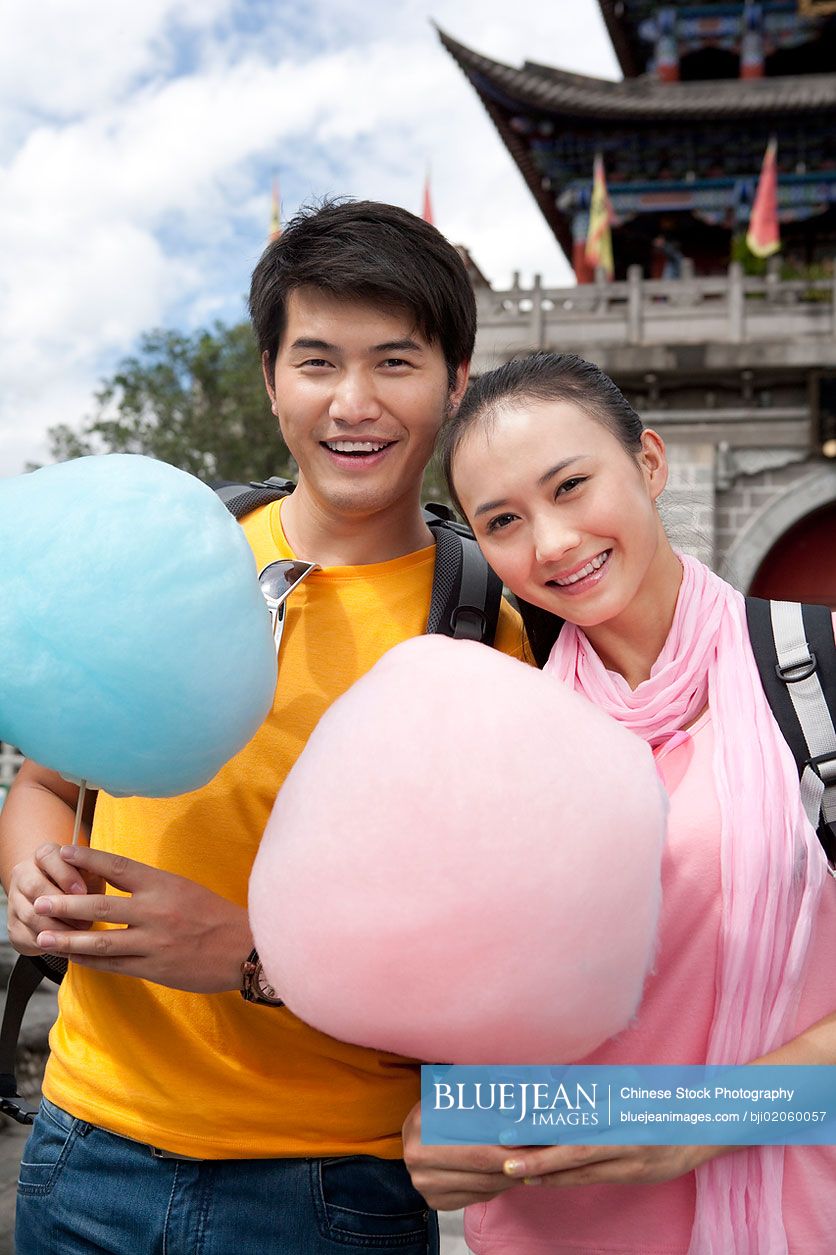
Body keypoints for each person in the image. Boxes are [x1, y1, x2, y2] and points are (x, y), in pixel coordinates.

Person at [0, 199, 525, 1255]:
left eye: (395, 362)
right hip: (83, 1146)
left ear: (455, 381)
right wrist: (30, 872)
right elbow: (48, 779)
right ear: (271, 378)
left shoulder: (485, 631)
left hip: (329, 1187)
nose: (353, 403)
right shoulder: (169, 551)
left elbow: (487, 957)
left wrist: (247, 953)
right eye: (318, 360)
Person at [402, 352, 836, 1254]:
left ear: (647, 462)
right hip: (548, 1224)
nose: (553, 541)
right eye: (504, 521)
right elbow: (472, 1009)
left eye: (571, 485)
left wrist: (706, 1118)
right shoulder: (498, 730)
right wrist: (441, 1125)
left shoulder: (819, 671)